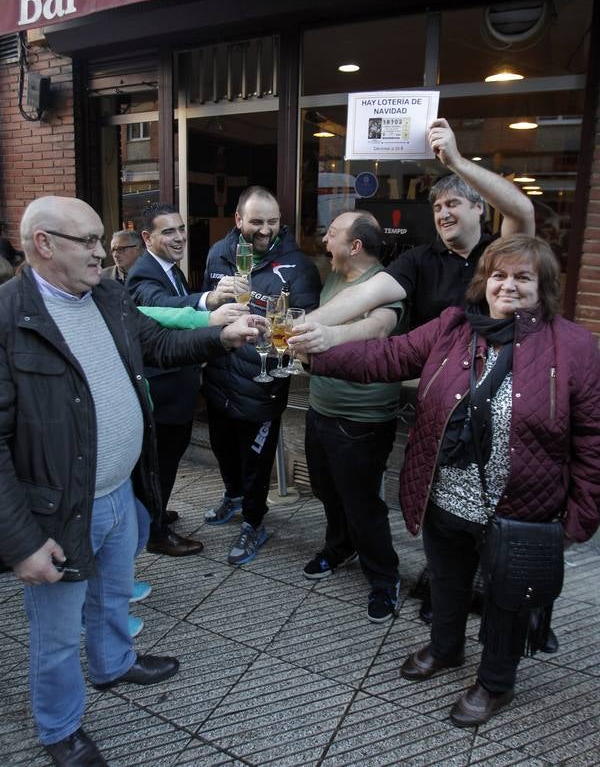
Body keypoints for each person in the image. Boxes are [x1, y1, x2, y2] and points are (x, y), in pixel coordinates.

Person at [299, 235, 600, 728]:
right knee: (446, 579)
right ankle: (445, 648)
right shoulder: (454, 327)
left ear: (543, 286)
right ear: (484, 281)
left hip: (520, 507)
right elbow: (387, 358)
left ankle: (495, 682)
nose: (509, 285)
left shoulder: (574, 346)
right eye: (499, 275)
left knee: (506, 599)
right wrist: (322, 352)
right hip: (445, 494)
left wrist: (579, 518)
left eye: (523, 277)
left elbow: (593, 439)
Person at [0, 195, 260, 766]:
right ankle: (60, 728)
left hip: (121, 489)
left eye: (101, 240)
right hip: (60, 509)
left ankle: (114, 662)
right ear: (43, 244)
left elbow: (159, 343)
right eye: (88, 242)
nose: (103, 252)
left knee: (114, 593)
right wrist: (20, 542)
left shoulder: (108, 294)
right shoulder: (7, 319)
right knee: (57, 634)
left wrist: (222, 337)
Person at [299, 118, 535, 334]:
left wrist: (456, 161)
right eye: (437, 208)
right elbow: (364, 294)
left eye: (452, 204)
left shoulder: (500, 253)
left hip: (489, 371)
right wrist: (297, 326)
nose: (443, 214)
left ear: (479, 207)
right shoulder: (419, 259)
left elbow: (522, 211)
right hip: (436, 375)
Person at [201, 186, 321, 565]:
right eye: (256, 222)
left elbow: (303, 323)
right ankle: (232, 496)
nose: (265, 230)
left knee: (256, 459)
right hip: (219, 373)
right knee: (222, 447)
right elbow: (206, 310)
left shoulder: (298, 266)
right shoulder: (218, 254)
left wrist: (276, 327)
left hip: (261, 380)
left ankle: (253, 521)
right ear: (239, 221)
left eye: (272, 222)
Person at [127, 203, 247, 556]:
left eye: (181, 228)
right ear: (147, 237)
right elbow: (163, 307)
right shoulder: (142, 273)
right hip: (161, 393)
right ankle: (156, 533)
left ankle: (156, 512)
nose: (179, 237)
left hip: (178, 389)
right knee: (157, 465)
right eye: (168, 231)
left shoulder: (169, 267)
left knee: (168, 461)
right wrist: (209, 301)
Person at [302, 211, 404, 623]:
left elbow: (380, 329)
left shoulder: (383, 285)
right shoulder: (332, 277)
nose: (324, 240)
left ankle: (384, 577)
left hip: (361, 418)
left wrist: (327, 337)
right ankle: (339, 546)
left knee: (363, 504)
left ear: (355, 245)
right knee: (327, 491)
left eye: (331, 234)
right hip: (320, 407)